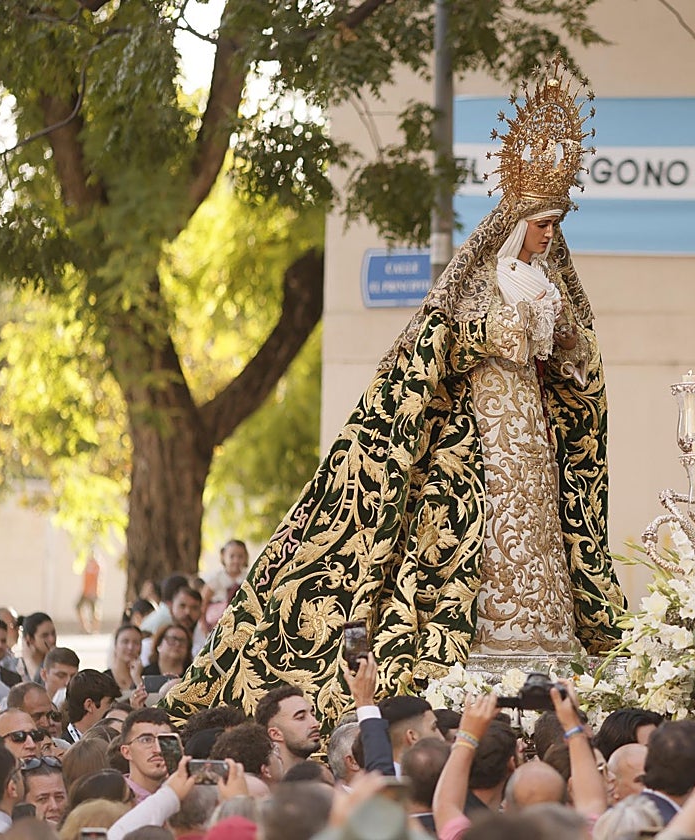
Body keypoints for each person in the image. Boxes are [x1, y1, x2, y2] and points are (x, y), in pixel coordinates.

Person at [163, 58, 625, 724]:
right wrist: (502, 331)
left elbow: (576, 363)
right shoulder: (484, 281)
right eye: (540, 220)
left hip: (534, 435)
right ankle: (487, 644)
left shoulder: (551, 287)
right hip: (482, 433)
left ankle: (549, 638)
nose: (550, 232)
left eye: (557, 221)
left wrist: (571, 354)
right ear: (515, 216)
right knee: (482, 535)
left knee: (541, 530)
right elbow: (439, 345)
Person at [106, 625, 144, 696]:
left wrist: (137, 679)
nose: (130, 647)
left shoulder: (147, 676)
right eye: (125, 642)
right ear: (115, 645)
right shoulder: (103, 679)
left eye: (136, 643)